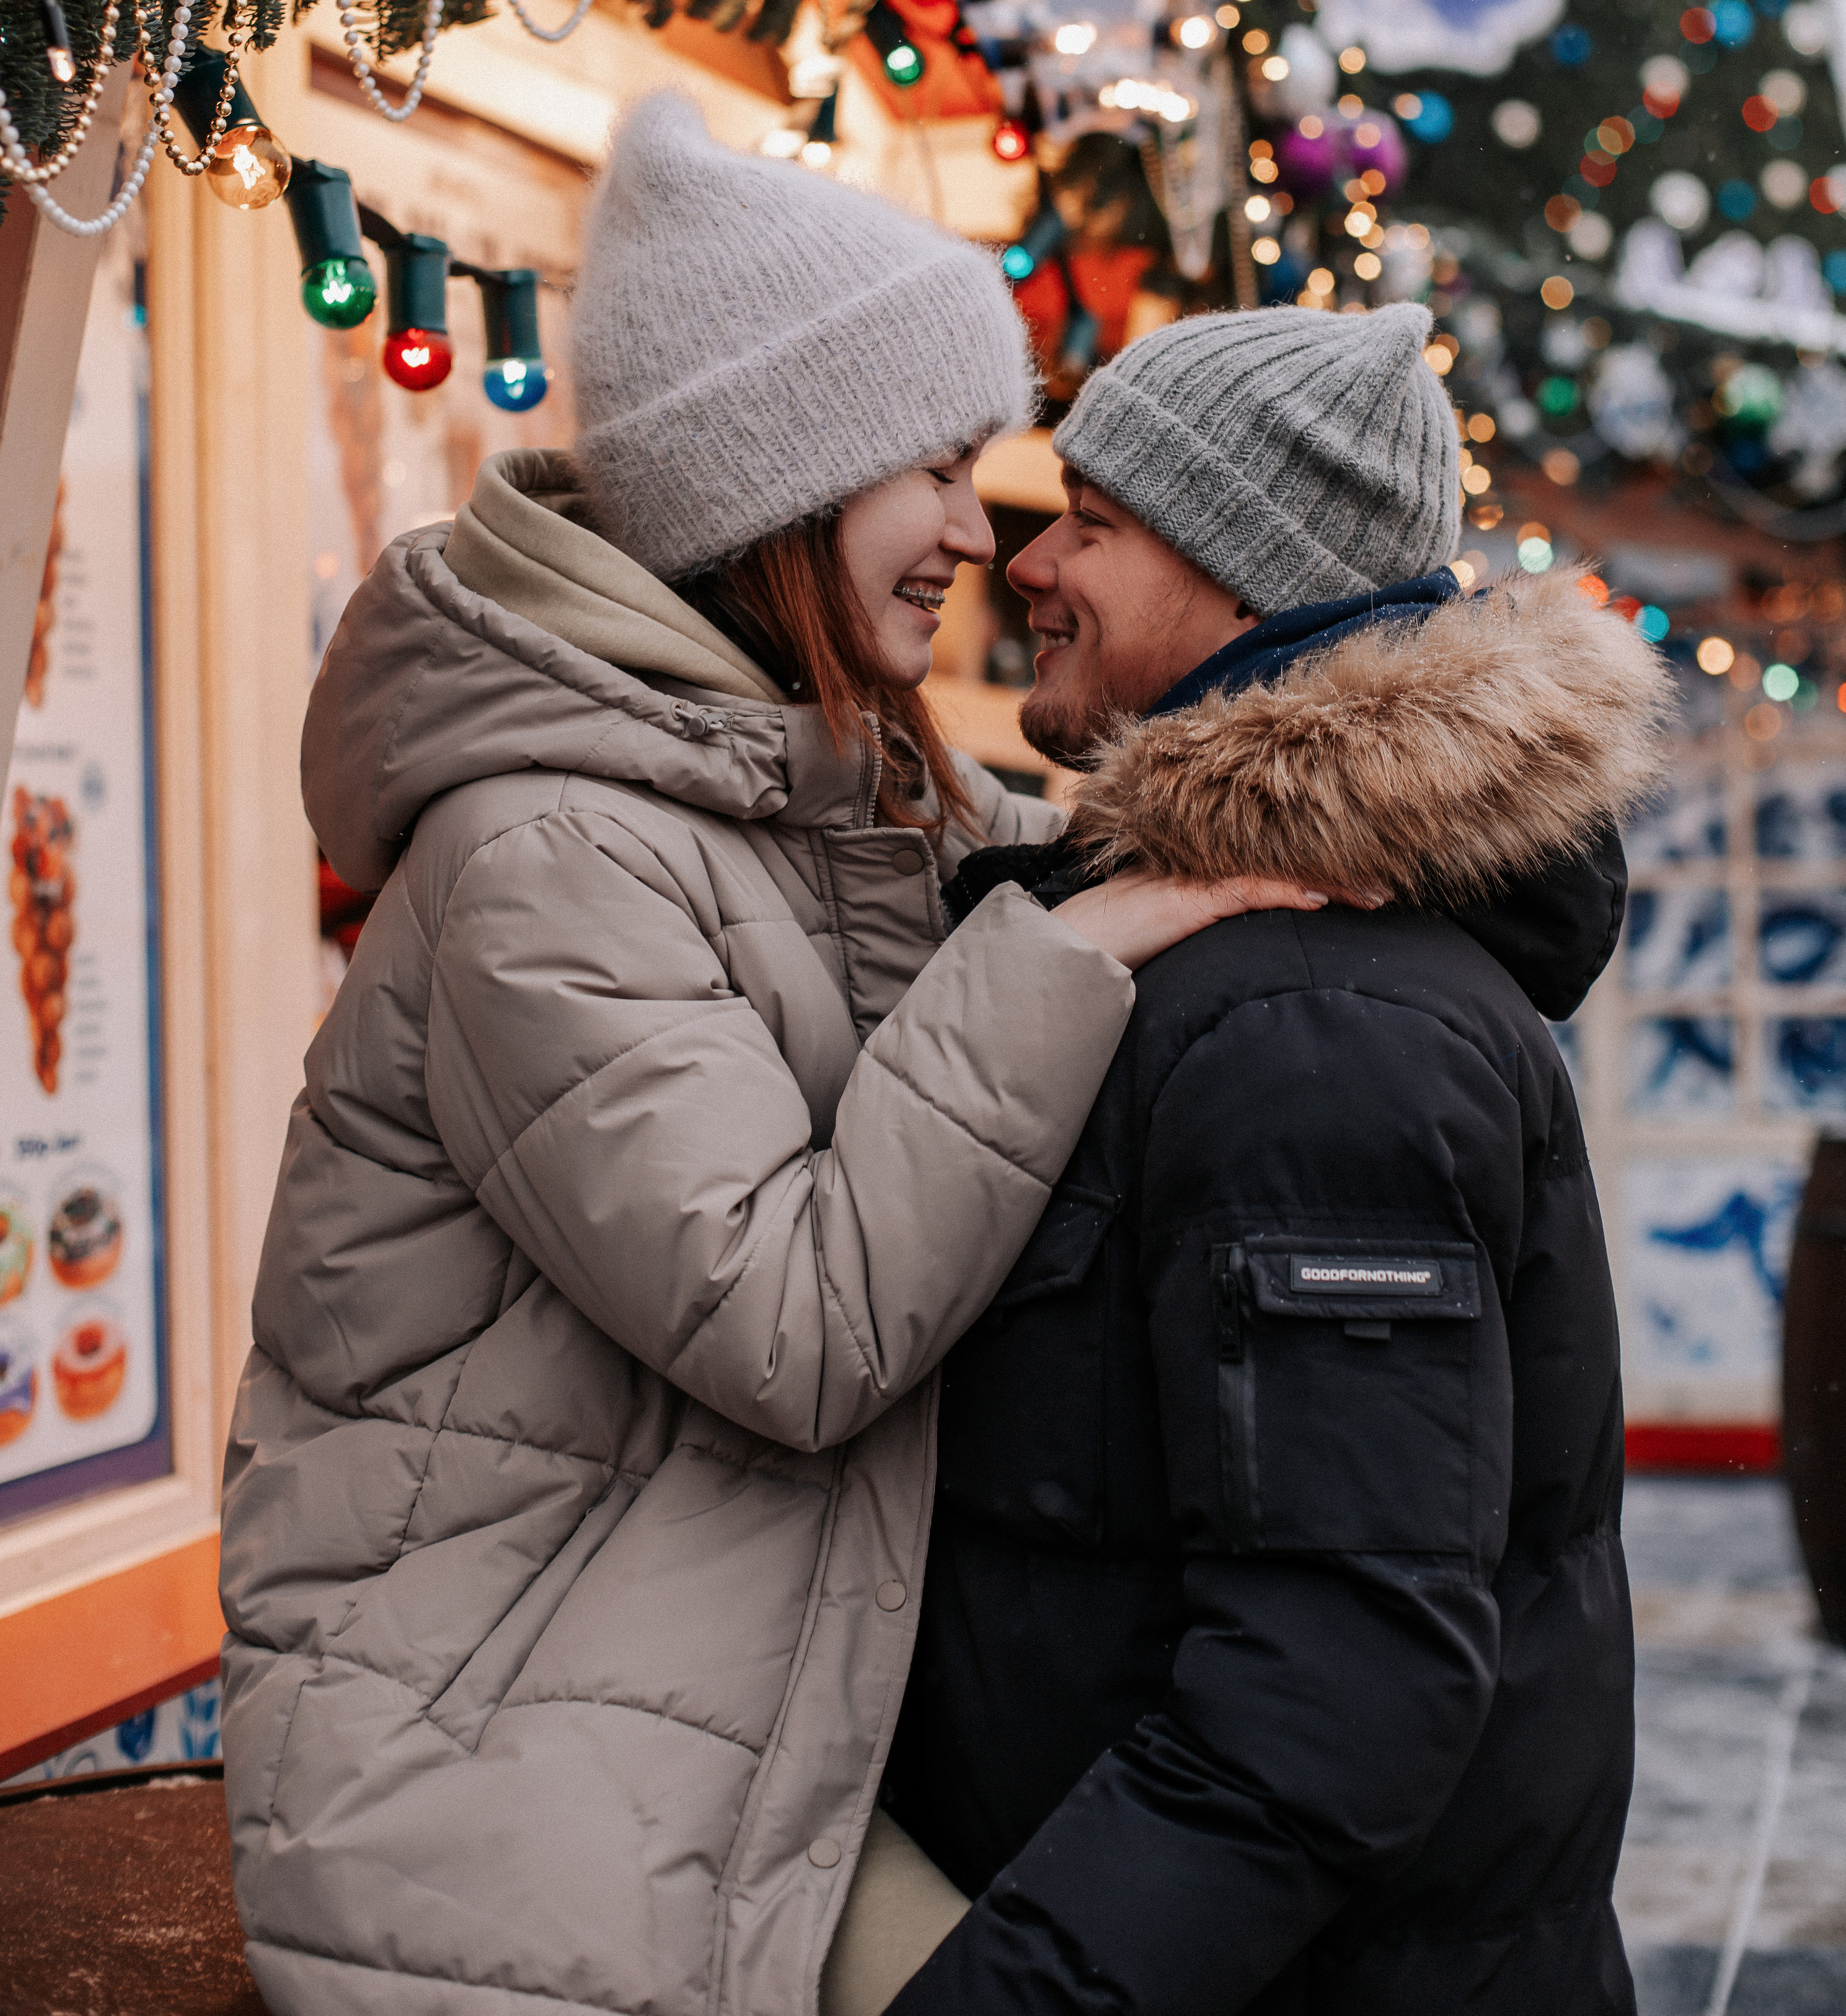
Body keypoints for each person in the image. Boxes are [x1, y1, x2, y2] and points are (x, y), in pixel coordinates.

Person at [216, 97, 1323, 2016]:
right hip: (512, 1785)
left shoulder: (820, 793)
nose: (981, 536)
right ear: (781, 488)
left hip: (720, 1711)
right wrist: (1067, 953)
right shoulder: (548, 853)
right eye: (933, 472)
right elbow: (794, 1322)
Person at [876, 301, 1676, 2016]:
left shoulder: (1309, 1013)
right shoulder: (1207, 955)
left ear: (1243, 578)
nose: (1029, 559)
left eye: (1089, 519)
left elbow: (1340, 1672)